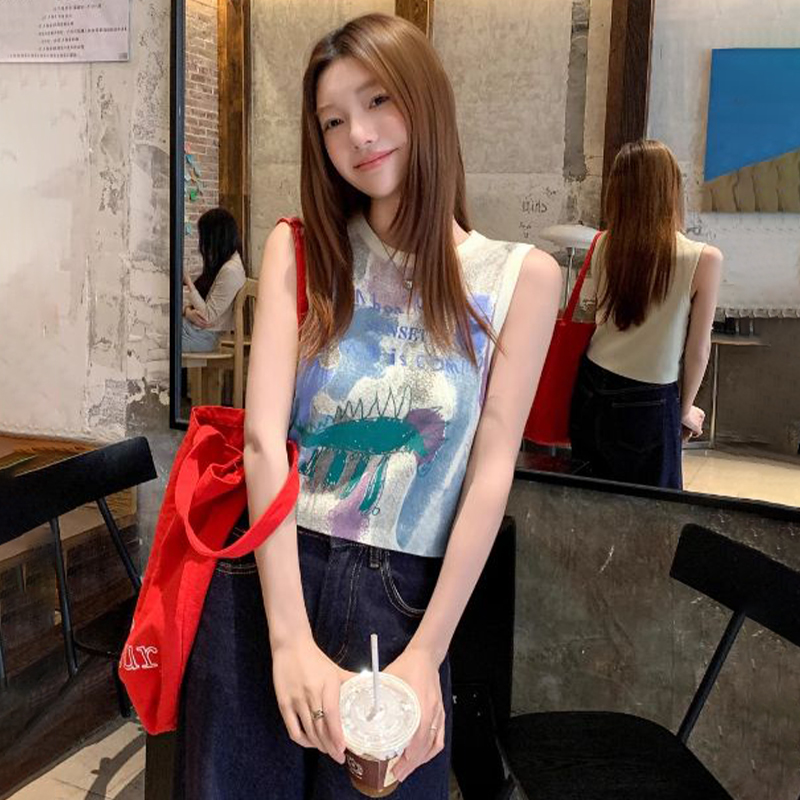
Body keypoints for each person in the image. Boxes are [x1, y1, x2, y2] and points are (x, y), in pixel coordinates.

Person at [175, 13, 560, 800]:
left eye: (378, 100)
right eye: (332, 120)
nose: (358, 134)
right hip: (270, 574)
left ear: (426, 100)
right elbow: (262, 442)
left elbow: (489, 474)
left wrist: (428, 652)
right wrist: (288, 638)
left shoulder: (520, 278)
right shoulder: (300, 248)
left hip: (406, 600)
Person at [569, 139, 723, 489]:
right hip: (649, 400)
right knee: (651, 507)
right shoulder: (703, 258)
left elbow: (600, 315)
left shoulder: (603, 243)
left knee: (588, 497)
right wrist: (685, 410)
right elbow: (698, 350)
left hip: (591, 385)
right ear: (672, 189)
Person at [182, 207, 247, 352]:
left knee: (159, 333)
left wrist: (187, 280)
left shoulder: (231, 270)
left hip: (203, 337)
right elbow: (200, 308)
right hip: (198, 332)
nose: (202, 244)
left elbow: (207, 317)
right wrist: (187, 312)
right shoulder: (226, 264)